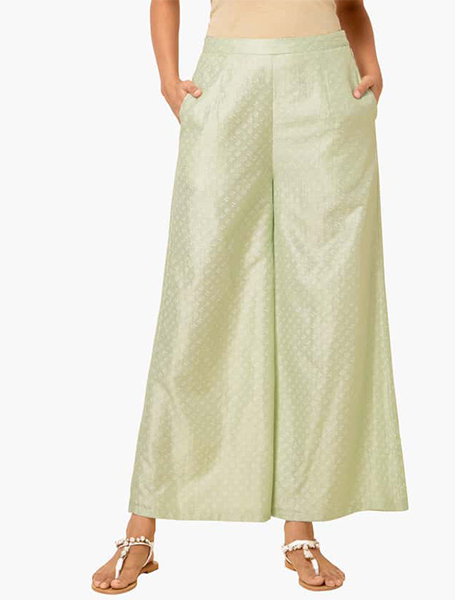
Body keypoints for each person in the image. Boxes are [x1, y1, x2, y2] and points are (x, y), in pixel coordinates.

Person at [92, 0, 408, 593]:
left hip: (324, 86)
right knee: (196, 296)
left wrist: (371, 67)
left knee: (324, 306)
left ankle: (301, 522)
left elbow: (349, 6)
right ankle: (143, 519)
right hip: (228, 81)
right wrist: (167, 78)